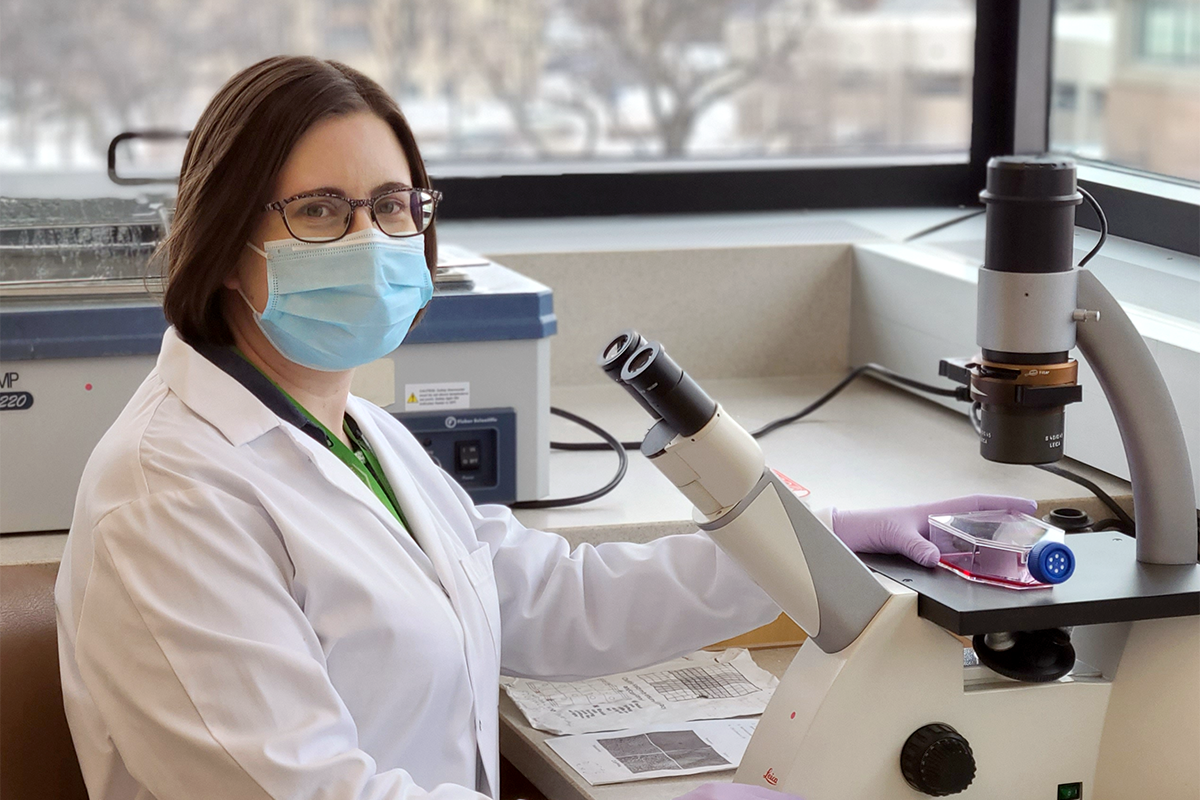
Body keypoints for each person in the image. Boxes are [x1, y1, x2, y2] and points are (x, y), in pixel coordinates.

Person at [55, 56, 1035, 800]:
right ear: (227, 241)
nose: (372, 239)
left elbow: (540, 596)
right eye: (319, 211)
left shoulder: (352, 429)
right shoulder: (171, 494)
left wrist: (813, 543)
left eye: (394, 205)